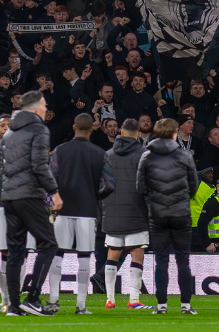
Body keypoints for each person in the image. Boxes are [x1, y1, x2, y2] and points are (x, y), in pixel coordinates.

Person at [0, 91, 61, 317]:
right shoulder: (38, 129)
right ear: (36, 108)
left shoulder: (8, 133)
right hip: (29, 194)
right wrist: (54, 192)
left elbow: (1, 165)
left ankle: (14, 306)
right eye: (44, 105)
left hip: (9, 196)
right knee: (49, 244)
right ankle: (33, 298)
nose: (46, 109)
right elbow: (39, 164)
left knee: (15, 251)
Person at [47, 113, 113, 314]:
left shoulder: (60, 151)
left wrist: (53, 199)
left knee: (57, 255)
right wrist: (96, 195)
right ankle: (81, 305)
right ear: (92, 129)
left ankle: (53, 301)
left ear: (74, 127)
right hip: (88, 211)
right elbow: (110, 184)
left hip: (62, 210)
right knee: (84, 257)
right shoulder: (100, 153)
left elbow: (50, 178)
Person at [137, 117, 199, 315]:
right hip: (181, 213)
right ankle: (186, 305)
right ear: (174, 134)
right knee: (183, 260)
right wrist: (182, 198)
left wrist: (152, 202)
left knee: (161, 260)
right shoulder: (185, 155)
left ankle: (161, 306)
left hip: (157, 215)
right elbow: (194, 185)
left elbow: (140, 187)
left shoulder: (147, 156)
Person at [101, 118, 151, 310]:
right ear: (138, 135)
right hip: (137, 211)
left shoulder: (107, 155)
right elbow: (148, 186)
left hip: (112, 211)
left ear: (121, 133)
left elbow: (101, 185)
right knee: (137, 254)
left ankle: (110, 299)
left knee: (113, 253)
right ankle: (133, 299)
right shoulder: (144, 155)